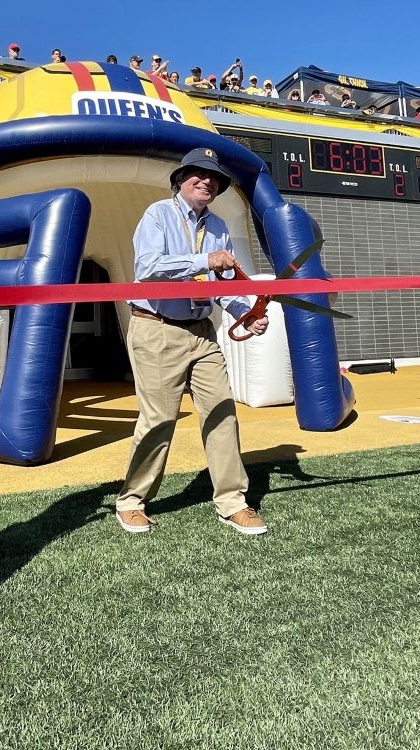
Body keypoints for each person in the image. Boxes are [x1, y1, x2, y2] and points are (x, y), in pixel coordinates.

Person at [116, 148, 270, 536]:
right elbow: (148, 268)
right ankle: (132, 501)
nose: (207, 181)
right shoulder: (157, 214)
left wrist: (246, 315)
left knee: (223, 413)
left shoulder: (218, 226)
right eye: (197, 174)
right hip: (156, 328)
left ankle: (233, 502)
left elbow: (224, 285)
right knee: (159, 419)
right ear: (180, 180)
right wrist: (205, 261)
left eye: (213, 177)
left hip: (202, 333)